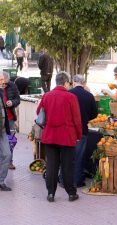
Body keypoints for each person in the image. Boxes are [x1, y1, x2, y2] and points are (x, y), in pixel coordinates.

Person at [36, 72, 82, 202]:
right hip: (67, 136)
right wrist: (78, 135)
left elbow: (39, 112)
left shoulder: (47, 96)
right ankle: (71, 193)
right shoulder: (71, 97)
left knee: (52, 165)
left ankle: (51, 193)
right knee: (67, 165)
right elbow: (77, 119)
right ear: (66, 83)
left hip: (50, 135)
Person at [69, 74, 97, 187]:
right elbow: (94, 114)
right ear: (83, 82)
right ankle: (77, 180)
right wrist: (85, 118)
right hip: (82, 129)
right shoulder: (89, 96)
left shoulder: (69, 94)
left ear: (73, 81)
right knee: (79, 155)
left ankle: (65, 179)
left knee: (68, 156)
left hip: (69, 129)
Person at [0, 72, 20, 170]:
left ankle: (9, 162)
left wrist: (12, 102)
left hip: (10, 119)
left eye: (5, 83)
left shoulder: (12, 85)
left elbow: (18, 99)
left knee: (11, 141)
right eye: (2, 83)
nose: (4, 85)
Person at [0, 82, 12, 191]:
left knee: (7, 154)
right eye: (0, 80)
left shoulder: (2, 92)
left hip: (2, 130)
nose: (3, 82)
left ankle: (1, 181)